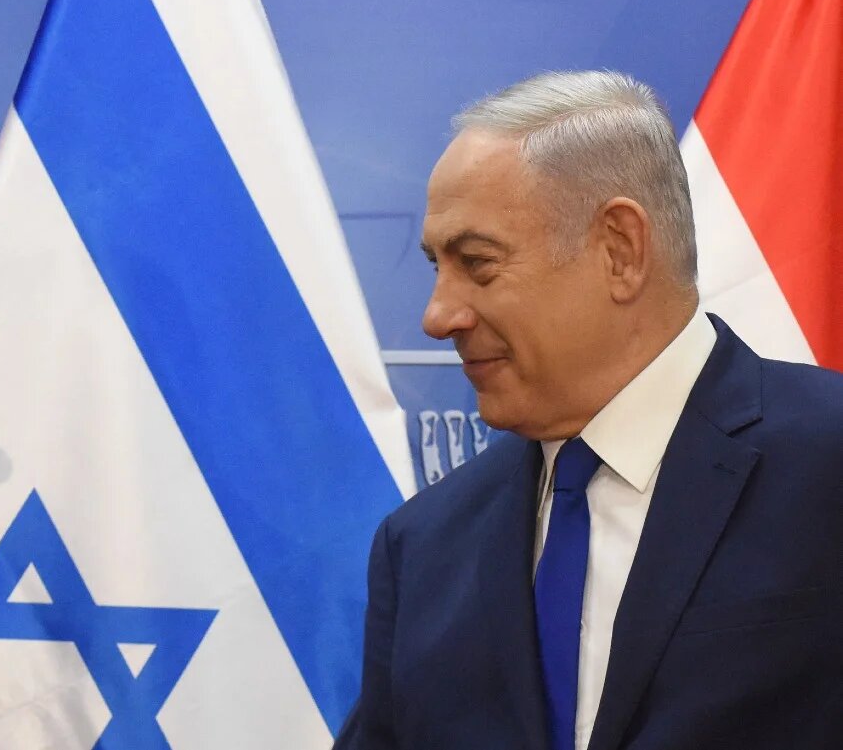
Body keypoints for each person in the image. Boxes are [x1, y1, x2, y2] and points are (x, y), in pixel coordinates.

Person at [335, 71, 843, 750]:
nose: (436, 315)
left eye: (477, 263)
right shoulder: (422, 546)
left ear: (620, 250)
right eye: (435, 267)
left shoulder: (826, 464)